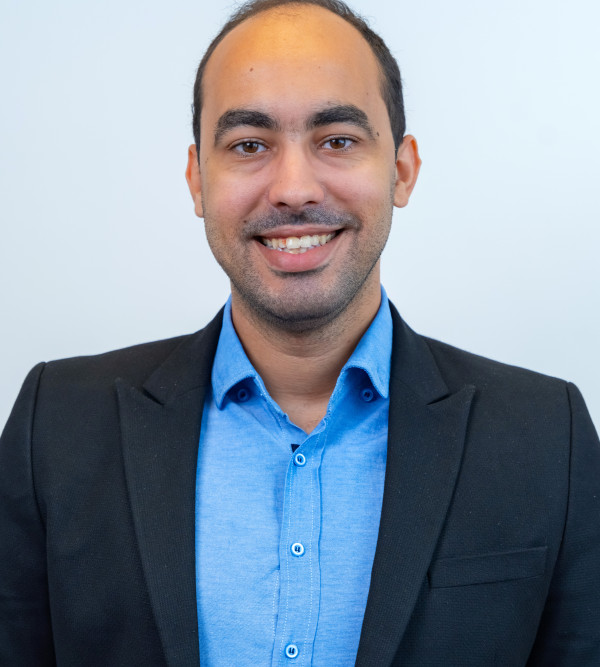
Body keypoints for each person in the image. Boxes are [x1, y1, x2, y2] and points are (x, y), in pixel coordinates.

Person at [1, 0, 599, 664]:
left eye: (337, 139)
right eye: (249, 145)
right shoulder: (55, 427)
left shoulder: (550, 438)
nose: (292, 188)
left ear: (401, 170)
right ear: (198, 179)